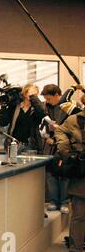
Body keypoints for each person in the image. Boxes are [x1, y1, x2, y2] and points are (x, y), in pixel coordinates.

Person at [41, 84, 83, 214]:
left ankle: (65, 202)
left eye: (49, 98)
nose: (47, 101)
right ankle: (53, 201)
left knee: (65, 176)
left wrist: (73, 88)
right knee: (51, 175)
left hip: (67, 148)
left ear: (56, 96)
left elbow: (74, 130)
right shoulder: (44, 108)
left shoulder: (70, 107)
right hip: (50, 146)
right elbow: (40, 126)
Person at [55, 109, 85, 252]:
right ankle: (75, 248)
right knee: (79, 214)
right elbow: (59, 131)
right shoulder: (74, 120)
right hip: (81, 173)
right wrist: (67, 150)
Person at [0, 83, 45, 153]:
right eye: (31, 92)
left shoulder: (36, 108)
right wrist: (3, 107)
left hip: (30, 145)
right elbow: (3, 122)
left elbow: (42, 113)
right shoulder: (15, 106)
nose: (32, 95)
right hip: (13, 143)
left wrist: (33, 98)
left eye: (35, 94)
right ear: (25, 93)